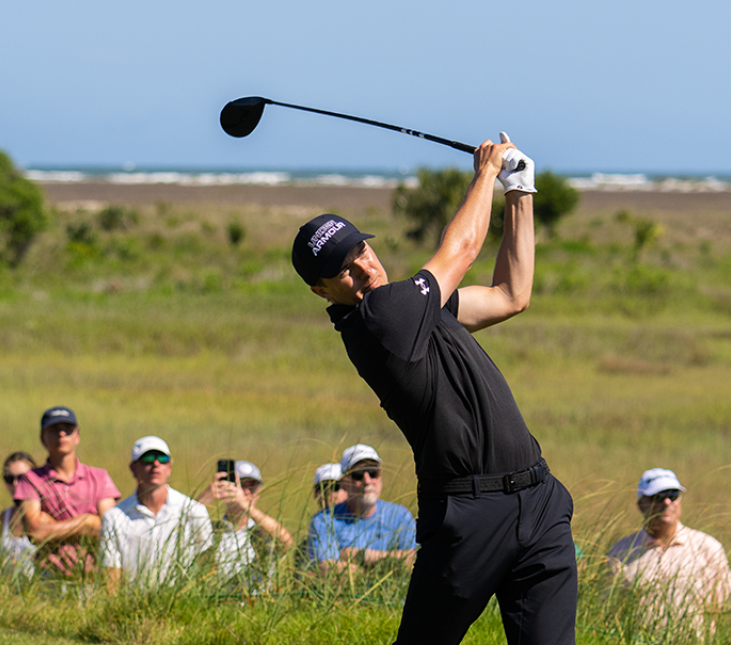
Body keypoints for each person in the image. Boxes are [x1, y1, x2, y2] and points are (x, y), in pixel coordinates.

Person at [294, 136, 578, 644]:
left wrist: (520, 192)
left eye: (362, 249)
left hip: (539, 501)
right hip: (468, 518)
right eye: (343, 268)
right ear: (322, 291)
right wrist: (487, 173)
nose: (364, 266)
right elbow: (463, 250)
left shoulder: (413, 308)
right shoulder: (379, 320)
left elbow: (511, 295)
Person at [606, 468, 731, 636]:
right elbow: (609, 614)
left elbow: (727, 612)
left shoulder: (707, 548)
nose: (667, 502)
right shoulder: (621, 551)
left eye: (673, 495)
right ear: (641, 505)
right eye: (658, 497)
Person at [11, 406, 120, 577]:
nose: (61, 435)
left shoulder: (99, 477)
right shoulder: (30, 480)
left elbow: (111, 531)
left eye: (67, 430)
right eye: (54, 430)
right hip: (50, 577)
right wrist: (86, 523)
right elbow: (36, 532)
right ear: (42, 437)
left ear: (78, 436)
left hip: (92, 577)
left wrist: (50, 525)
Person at [99, 436, 212, 589]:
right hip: (133, 607)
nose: (156, 464)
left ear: (169, 467)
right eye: (148, 459)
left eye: (163, 459)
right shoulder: (114, 517)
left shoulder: (193, 511)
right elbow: (111, 576)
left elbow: (207, 565)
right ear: (133, 468)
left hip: (183, 605)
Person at [303, 444, 417, 575]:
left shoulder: (400, 516)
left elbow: (415, 561)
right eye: (358, 475)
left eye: (373, 472)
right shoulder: (325, 520)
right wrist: (391, 565)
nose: (367, 481)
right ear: (344, 481)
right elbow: (327, 569)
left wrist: (359, 556)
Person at [200, 459, 295, 584]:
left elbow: (286, 542)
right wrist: (203, 499)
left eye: (252, 487)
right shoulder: (211, 530)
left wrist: (246, 506)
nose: (246, 492)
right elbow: (177, 535)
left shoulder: (262, 533)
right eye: (241, 486)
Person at [0, 451, 39, 577]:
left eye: (22, 478)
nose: (15, 484)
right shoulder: (5, 516)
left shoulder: (44, 514)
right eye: (9, 479)